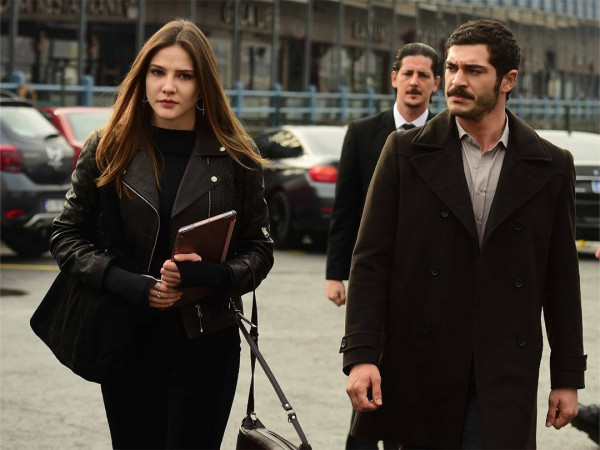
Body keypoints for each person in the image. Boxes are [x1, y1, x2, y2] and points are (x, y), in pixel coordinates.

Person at [341, 19, 586, 449]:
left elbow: (561, 278)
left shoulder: (551, 165)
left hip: (504, 364)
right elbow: (370, 261)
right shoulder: (404, 153)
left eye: (474, 70)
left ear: (507, 80)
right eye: (452, 68)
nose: (456, 81)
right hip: (422, 359)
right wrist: (361, 356)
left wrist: (567, 377)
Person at [49, 19, 273, 449]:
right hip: (127, 335)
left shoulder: (236, 156)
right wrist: (127, 282)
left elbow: (259, 248)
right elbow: (66, 235)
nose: (168, 86)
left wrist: (213, 275)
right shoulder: (108, 146)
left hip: (207, 341)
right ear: (143, 77)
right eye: (158, 72)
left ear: (202, 85)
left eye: (184, 76)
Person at [326, 42, 441, 449]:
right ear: (393, 78)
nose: (414, 82)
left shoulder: (447, 136)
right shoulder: (362, 133)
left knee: (415, 371)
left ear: (436, 84)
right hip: (374, 271)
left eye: (423, 75)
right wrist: (334, 274)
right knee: (367, 364)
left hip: (426, 276)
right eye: (407, 73)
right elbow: (346, 208)